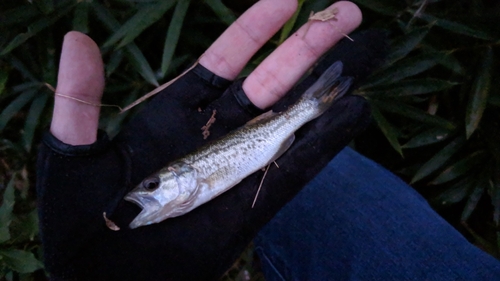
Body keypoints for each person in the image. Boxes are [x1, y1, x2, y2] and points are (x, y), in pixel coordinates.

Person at [36, 0, 500, 280]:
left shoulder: (180, 189)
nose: (148, 192)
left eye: (154, 185)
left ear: (174, 177)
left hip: (270, 140)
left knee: (320, 174)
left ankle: (310, 110)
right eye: (152, 189)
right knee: (331, 181)